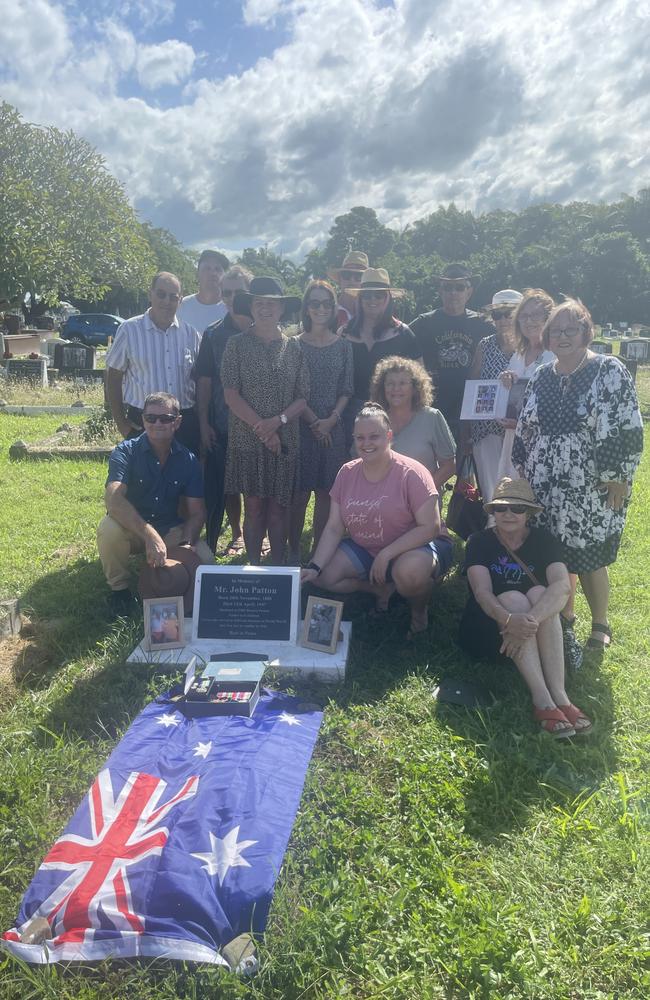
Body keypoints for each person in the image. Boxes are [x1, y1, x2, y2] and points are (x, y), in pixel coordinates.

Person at [512, 298, 643, 654]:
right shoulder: (542, 374)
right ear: (548, 336)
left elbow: (626, 425)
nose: (563, 336)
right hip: (544, 484)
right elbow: (526, 426)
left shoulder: (608, 370)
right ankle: (564, 616)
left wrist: (618, 475)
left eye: (572, 329)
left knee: (589, 557)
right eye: (556, 330)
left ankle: (600, 622)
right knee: (555, 553)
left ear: (587, 332)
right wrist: (522, 467)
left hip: (591, 483)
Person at [301, 403, 454, 639]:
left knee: (410, 575)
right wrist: (314, 566)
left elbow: (430, 527)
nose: (366, 443)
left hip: (416, 546)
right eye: (360, 438)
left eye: (374, 436)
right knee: (324, 576)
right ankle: (380, 589)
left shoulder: (412, 472)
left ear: (389, 436)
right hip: (366, 547)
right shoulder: (347, 472)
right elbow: (334, 526)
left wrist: (387, 554)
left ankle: (419, 611)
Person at [459, 477, 593, 738]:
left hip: (529, 630)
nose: (508, 513)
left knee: (540, 592)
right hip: (491, 631)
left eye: (517, 508)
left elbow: (562, 586)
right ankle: (542, 699)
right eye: (501, 508)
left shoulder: (544, 539)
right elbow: (482, 593)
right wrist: (509, 620)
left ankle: (560, 695)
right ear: (493, 512)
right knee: (512, 598)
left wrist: (526, 621)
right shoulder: (479, 541)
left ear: (529, 513)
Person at [97, 392, 214, 614]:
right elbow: (113, 499)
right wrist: (149, 535)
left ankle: (193, 601)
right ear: (143, 420)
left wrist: (186, 545)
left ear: (177, 422)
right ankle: (119, 591)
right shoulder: (125, 452)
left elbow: (197, 513)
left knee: (206, 558)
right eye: (151, 418)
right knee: (108, 530)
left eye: (166, 418)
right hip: (131, 529)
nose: (158, 423)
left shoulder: (188, 460)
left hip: (169, 528)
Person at [221, 276, 309, 564]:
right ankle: (255, 565)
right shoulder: (235, 345)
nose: (266, 309)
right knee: (255, 506)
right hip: (247, 441)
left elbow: (302, 397)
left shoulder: (294, 348)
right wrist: (263, 428)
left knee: (279, 508)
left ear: (282, 309)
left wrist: (277, 423)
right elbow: (231, 395)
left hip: (285, 440)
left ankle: (278, 567)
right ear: (251, 307)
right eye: (260, 303)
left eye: (272, 304)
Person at [288, 280, 353, 564]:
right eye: (315, 303)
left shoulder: (344, 346)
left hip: (334, 427)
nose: (321, 309)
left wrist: (331, 421)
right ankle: (292, 552)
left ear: (334, 308)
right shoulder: (293, 345)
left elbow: (347, 389)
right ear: (306, 308)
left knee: (327, 493)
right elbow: (290, 389)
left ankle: (317, 554)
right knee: (299, 494)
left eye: (326, 303)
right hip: (300, 428)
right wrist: (315, 422)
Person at [105, 271, 201, 454]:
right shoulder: (129, 330)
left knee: (184, 481)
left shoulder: (191, 335)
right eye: (161, 294)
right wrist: (121, 423)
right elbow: (113, 377)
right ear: (150, 294)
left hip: (183, 424)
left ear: (180, 300)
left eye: (173, 297)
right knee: (143, 481)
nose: (167, 301)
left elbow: (199, 380)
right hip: (144, 422)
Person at [194, 265, 254, 552]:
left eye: (238, 292)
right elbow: (204, 383)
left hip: (262, 425)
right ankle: (237, 531)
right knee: (229, 484)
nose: (231, 297)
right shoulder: (214, 334)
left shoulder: (265, 330)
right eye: (226, 292)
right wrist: (204, 423)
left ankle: (259, 533)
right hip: (224, 421)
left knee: (258, 484)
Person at [410, 263, 493, 444]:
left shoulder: (483, 324)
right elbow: (398, 337)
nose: (453, 292)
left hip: (471, 410)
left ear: (469, 292)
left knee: (469, 469)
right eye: (447, 287)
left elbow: (509, 339)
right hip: (433, 408)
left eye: (459, 287)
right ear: (440, 291)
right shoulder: (424, 322)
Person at [341, 268, 421, 441]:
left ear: (388, 298)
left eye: (378, 295)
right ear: (360, 298)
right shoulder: (344, 333)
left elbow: (419, 381)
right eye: (367, 295)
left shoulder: (403, 334)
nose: (372, 300)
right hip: (350, 417)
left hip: (393, 414)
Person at [369, 356, 456, 495]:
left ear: (415, 388)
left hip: (422, 504)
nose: (396, 388)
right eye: (390, 383)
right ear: (382, 387)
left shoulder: (432, 417)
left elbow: (449, 466)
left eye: (403, 383)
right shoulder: (372, 420)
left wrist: (421, 493)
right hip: (380, 501)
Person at [467, 289, 522, 503]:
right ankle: (493, 532)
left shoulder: (532, 347)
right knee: (492, 492)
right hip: (487, 430)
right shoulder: (485, 345)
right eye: (498, 315)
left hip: (520, 432)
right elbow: (473, 388)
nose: (504, 319)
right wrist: (466, 434)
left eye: (509, 313)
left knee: (518, 491)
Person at [495, 288, 555, 483]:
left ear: (549, 317)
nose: (529, 321)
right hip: (513, 439)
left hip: (544, 440)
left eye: (536, 315)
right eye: (524, 316)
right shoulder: (518, 355)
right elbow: (508, 396)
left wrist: (522, 424)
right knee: (511, 498)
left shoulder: (554, 354)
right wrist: (505, 379)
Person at [176, 249, 230, 333]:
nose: (213, 273)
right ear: (197, 273)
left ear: (224, 275)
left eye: (218, 269)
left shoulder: (230, 308)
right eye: (207, 268)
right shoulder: (181, 306)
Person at [327, 250, 368, 327]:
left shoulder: (371, 311)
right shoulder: (326, 310)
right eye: (347, 275)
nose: (352, 280)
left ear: (365, 282)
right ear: (339, 279)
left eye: (358, 276)